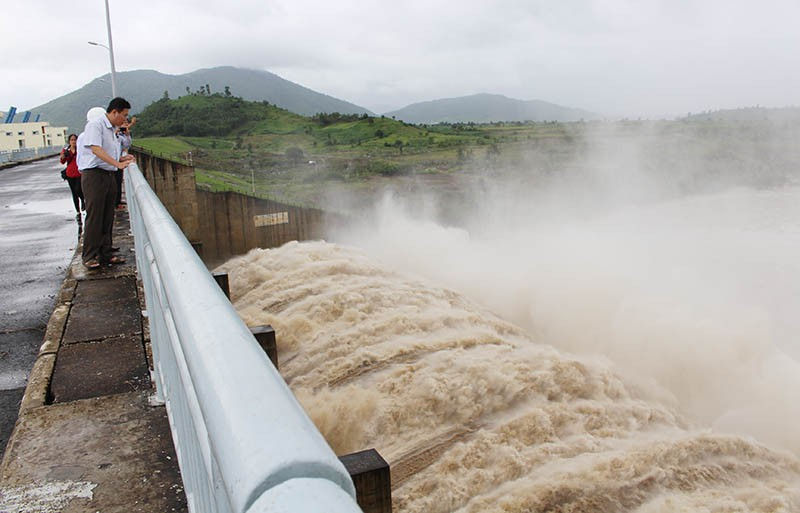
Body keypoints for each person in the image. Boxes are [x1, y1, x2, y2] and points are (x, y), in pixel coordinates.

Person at [77, 97, 136, 269]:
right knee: (95, 216)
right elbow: (96, 149)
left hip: (108, 174)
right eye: (124, 115)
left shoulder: (112, 129)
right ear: (114, 112)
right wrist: (117, 164)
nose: (125, 119)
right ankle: (89, 255)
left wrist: (120, 158)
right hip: (94, 175)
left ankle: (106, 253)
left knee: (107, 215)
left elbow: (109, 151)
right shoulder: (96, 125)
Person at [60, 133, 84, 218]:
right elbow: (62, 162)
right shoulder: (66, 150)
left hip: (79, 172)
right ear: (69, 141)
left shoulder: (80, 149)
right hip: (70, 173)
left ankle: (83, 201)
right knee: (74, 192)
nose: (73, 141)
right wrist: (63, 156)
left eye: (75, 139)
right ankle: (78, 211)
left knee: (78, 189)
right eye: (72, 140)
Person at [114, 116, 136, 209]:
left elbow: (127, 145)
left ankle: (117, 202)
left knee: (118, 181)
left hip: (117, 161)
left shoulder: (120, 135)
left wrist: (127, 134)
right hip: (113, 162)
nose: (125, 125)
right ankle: (115, 203)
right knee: (115, 182)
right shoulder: (114, 134)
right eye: (124, 123)